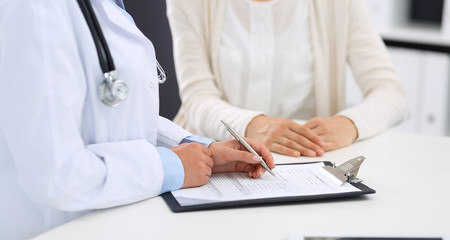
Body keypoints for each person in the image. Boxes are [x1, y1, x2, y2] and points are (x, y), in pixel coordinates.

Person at [0, 0, 274, 239]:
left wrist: (204, 151)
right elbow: (57, 175)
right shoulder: (36, 7)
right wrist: (170, 166)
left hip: (117, 220)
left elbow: (116, 117)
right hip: (53, 229)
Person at [166, 0, 407, 157]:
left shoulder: (340, 5)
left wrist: (351, 124)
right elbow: (196, 99)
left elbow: (391, 93)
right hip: (216, 158)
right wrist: (252, 125)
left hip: (307, 162)